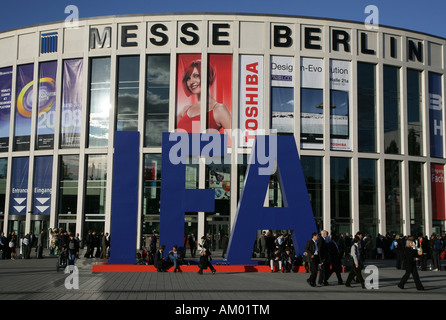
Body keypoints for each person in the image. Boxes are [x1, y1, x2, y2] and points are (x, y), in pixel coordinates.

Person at [176, 59, 231, 133]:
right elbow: (172, 139)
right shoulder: (184, 110)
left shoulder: (219, 109)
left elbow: (236, 140)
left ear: (207, 77)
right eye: (188, 78)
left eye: (196, 76)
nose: (191, 82)